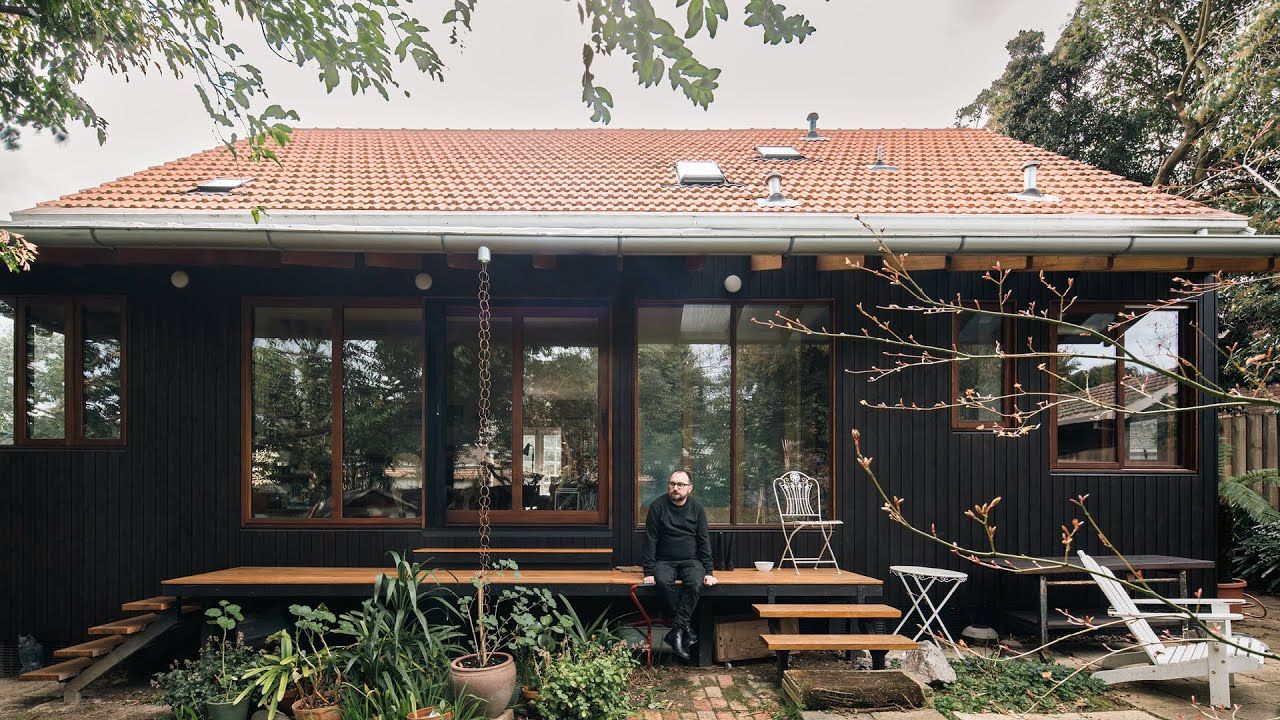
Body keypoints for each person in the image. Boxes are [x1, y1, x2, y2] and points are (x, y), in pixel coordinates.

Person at [642, 468, 718, 662]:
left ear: (689, 488)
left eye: (680, 485)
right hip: (664, 561)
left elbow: (703, 540)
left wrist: (708, 571)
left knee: (695, 583)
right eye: (672, 484)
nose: (675, 488)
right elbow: (650, 540)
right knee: (662, 582)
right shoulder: (657, 506)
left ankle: (675, 632)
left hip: (691, 561)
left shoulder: (697, 508)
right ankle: (684, 629)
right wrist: (649, 571)